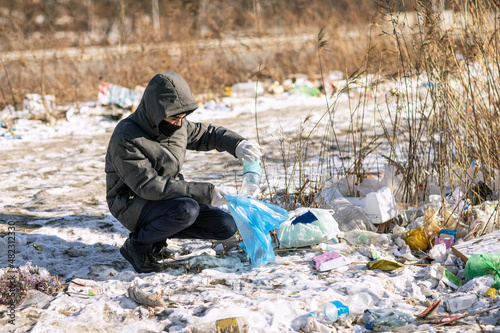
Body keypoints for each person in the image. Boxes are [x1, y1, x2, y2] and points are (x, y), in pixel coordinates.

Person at [105, 72, 262, 273]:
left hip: (167, 198)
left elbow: (208, 134)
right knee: (186, 210)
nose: (179, 124)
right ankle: (136, 246)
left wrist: (237, 144)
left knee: (226, 225)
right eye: (174, 118)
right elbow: (148, 185)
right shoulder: (126, 137)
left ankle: (156, 239)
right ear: (157, 112)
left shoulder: (176, 126)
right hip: (131, 202)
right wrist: (207, 193)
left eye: (182, 118)